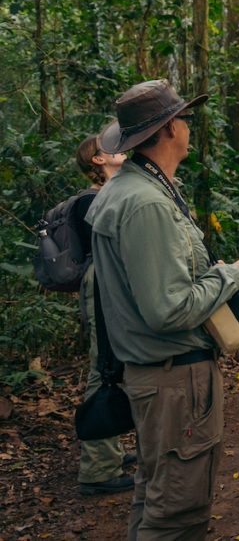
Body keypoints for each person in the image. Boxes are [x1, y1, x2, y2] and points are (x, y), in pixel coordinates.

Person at [87, 79, 239, 540]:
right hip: (174, 382)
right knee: (178, 512)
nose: (188, 126)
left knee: (156, 496)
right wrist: (233, 276)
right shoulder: (146, 203)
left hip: (162, 378)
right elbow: (168, 311)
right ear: (168, 129)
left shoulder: (141, 188)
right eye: (184, 118)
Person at [73, 134, 135, 496]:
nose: (119, 149)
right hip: (101, 285)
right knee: (104, 368)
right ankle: (97, 469)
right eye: (109, 147)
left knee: (113, 366)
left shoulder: (109, 193)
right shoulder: (91, 200)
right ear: (97, 160)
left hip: (110, 282)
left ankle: (109, 449)